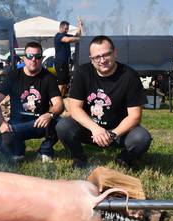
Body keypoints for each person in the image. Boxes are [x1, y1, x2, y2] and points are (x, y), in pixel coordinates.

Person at [56, 35, 152, 169]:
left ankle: (124, 159)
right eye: (97, 57)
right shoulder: (82, 73)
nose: (102, 60)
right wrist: (95, 129)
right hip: (91, 130)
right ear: (91, 59)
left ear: (115, 53)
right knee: (63, 126)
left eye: (107, 54)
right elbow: (74, 108)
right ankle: (79, 158)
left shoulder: (130, 76)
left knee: (142, 138)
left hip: (119, 132)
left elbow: (135, 116)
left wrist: (112, 135)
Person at [0, 41, 64, 163]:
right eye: (29, 56)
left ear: (41, 58)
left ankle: (45, 150)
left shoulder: (48, 77)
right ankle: (19, 148)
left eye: (37, 56)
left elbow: (59, 104)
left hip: (40, 123)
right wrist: (2, 123)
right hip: (17, 124)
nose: (33, 59)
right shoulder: (13, 75)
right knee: (4, 143)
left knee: (60, 123)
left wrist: (49, 114)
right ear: (24, 58)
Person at [54, 19, 83, 97]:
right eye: (65, 29)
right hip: (60, 62)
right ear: (61, 28)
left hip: (65, 63)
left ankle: (62, 98)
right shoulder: (58, 36)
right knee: (61, 83)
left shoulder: (65, 35)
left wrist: (79, 26)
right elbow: (68, 40)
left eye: (67, 29)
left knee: (65, 83)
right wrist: (80, 39)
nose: (66, 30)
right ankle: (58, 100)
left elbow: (76, 36)